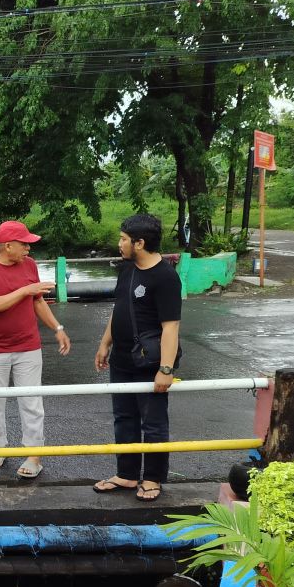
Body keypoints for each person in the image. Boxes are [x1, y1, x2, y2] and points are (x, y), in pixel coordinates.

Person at [0, 220, 71, 479]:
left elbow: (37, 301)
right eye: (24, 243)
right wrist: (25, 289)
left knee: (31, 402)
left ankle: (34, 455)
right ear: (7, 246)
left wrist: (57, 328)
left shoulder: (29, 265)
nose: (28, 248)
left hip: (28, 346)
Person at [93, 214, 182, 503]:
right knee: (124, 418)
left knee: (153, 422)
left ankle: (153, 478)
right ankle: (127, 474)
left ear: (140, 243)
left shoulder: (165, 277)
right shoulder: (127, 269)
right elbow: (120, 309)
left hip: (149, 363)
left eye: (123, 239)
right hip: (121, 359)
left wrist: (165, 369)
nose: (119, 243)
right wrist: (104, 343)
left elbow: (171, 327)